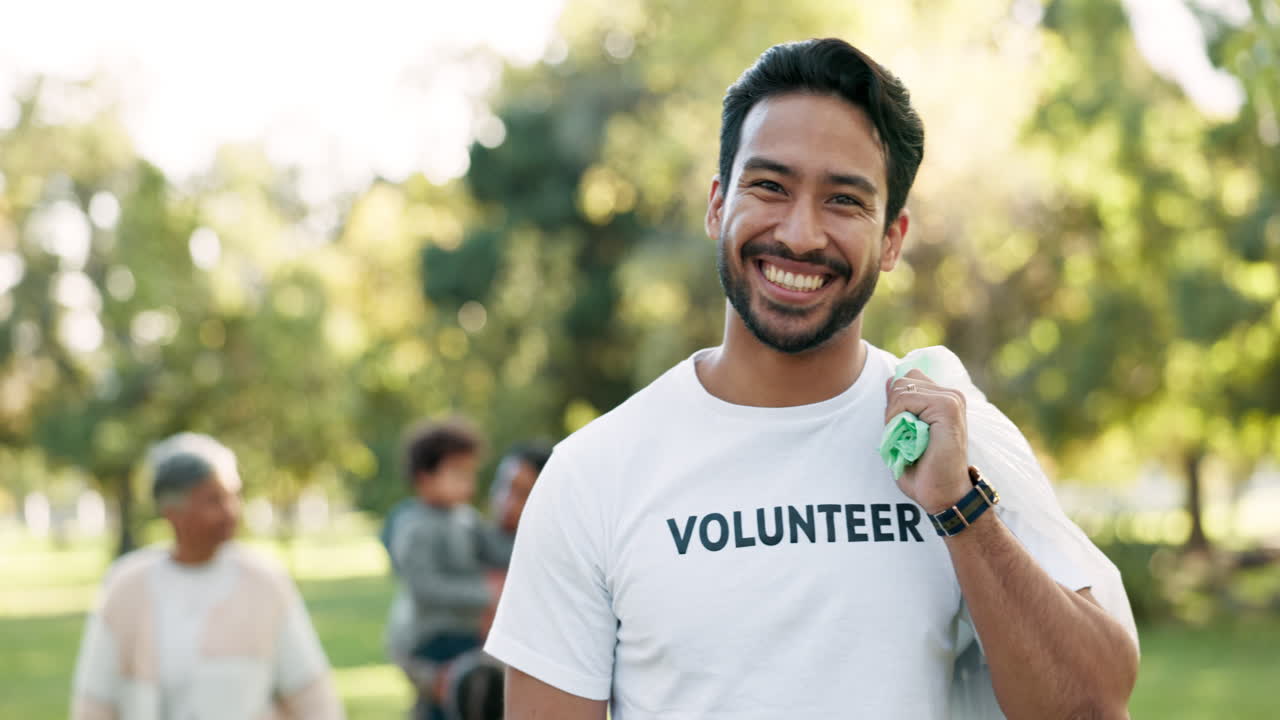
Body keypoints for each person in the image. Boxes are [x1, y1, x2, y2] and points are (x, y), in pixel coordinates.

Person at [486, 38, 1141, 720]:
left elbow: (1093, 706)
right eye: (769, 186)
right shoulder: (593, 474)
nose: (799, 235)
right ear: (717, 204)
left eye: (844, 201)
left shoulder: (961, 442)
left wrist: (958, 507)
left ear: (892, 239)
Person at [70, 433, 344, 720]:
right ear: (172, 511)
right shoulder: (125, 586)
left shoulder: (265, 582)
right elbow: (94, 701)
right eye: (214, 500)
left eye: (234, 496)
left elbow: (311, 694)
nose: (231, 511)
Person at [384, 420, 514, 720]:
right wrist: (486, 593)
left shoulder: (465, 518)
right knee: (443, 706)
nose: (468, 482)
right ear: (424, 478)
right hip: (434, 638)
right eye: (457, 473)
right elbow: (425, 587)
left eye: (470, 473)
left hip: (468, 635)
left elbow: (495, 550)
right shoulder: (414, 526)